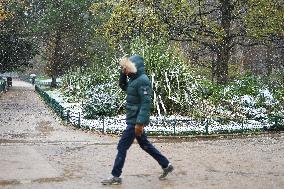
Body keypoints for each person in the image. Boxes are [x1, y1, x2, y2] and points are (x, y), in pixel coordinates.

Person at [102, 54, 174, 185]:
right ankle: (166, 164)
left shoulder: (142, 80)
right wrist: (123, 72)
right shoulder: (133, 80)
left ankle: (115, 176)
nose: (125, 71)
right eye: (124, 68)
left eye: (126, 68)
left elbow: (146, 103)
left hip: (135, 121)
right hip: (133, 119)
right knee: (145, 145)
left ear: (134, 68)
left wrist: (140, 123)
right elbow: (123, 86)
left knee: (122, 147)